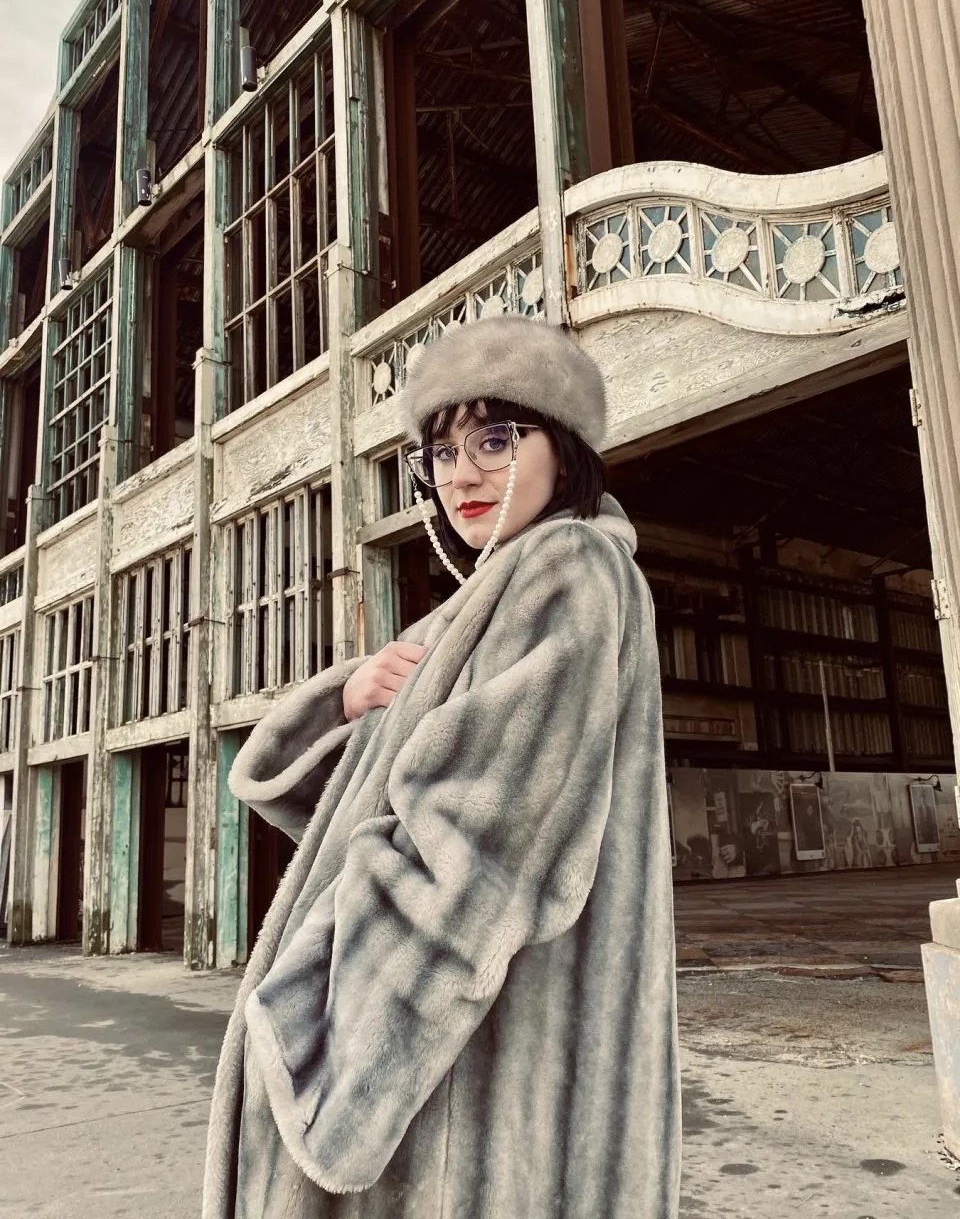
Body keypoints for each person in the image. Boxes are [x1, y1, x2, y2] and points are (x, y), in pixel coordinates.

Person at [202, 316, 680, 1219]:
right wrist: (349, 699)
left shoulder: (569, 567)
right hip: (477, 1073)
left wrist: (325, 1041)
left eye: (496, 438)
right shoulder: (489, 596)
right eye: (442, 451)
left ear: (563, 444)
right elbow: (323, 806)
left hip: (471, 1092)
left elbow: (477, 857)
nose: (462, 474)